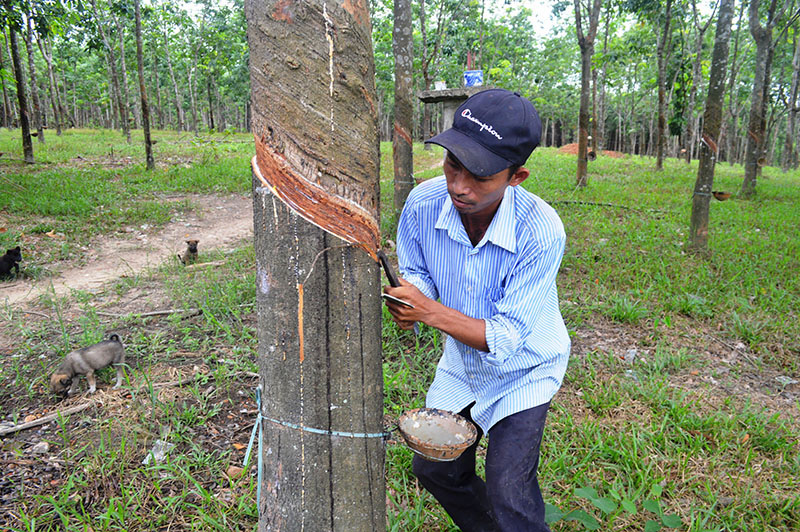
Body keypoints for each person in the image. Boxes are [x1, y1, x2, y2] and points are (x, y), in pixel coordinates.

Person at [383, 88, 570, 532]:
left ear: (516, 177)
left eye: (480, 177)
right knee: (435, 469)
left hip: (525, 370)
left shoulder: (541, 231)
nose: (458, 186)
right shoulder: (422, 204)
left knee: (511, 493)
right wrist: (407, 294)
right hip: (462, 366)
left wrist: (427, 311)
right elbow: (418, 271)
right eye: (452, 165)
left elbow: (504, 339)